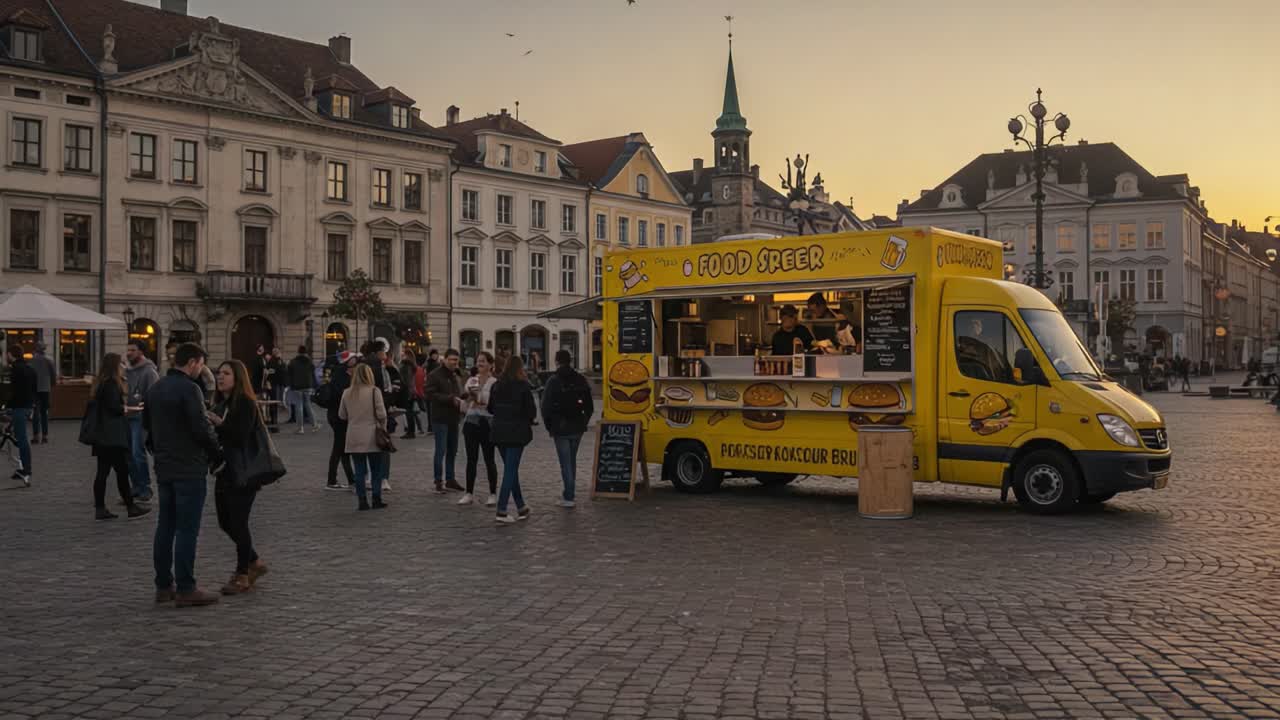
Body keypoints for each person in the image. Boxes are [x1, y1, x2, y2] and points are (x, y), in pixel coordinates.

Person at [146, 343, 222, 607]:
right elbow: (201, 428)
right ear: (192, 362)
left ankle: (163, 585)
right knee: (187, 528)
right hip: (189, 467)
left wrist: (160, 454)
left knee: (165, 525)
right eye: (200, 364)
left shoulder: (155, 388)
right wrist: (217, 453)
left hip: (164, 466)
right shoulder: (190, 389)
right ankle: (186, 587)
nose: (201, 369)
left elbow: (148, 431)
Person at [208, 360, 270, 595]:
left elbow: (239, 437)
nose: (220, 377)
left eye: (226, 373)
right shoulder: (222, 403)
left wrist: (218, 424)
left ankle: (242, 573)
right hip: (225, 470)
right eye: (219, 373)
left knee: (238, 522)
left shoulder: (245, 403)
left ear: (238, 378)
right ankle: (254, 561)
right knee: (225, 522)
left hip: (244, 472)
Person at [89, 353, 150, 520]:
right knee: (121, 471)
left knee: (104, 471)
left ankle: (102, 508)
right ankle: (130, 507)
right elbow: (114, 409)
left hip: (103, 435)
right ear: (114, 366)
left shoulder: (101, 383)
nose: (124, 366)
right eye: (122, 364)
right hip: (112, 436)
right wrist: (132, 409)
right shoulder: (111, 384)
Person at [541, 350, 594, 509]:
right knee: (571, 460)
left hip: (560, 428)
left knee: (566, 463)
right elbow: (589, 406)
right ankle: (569, 492)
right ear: (570, 361)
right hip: (577, 426)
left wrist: (550, 426)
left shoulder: (553, 381)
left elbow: (545, 407)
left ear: (557, 361)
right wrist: (584, 421)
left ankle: (569, 496)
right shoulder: (580, 379)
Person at [490, 355, 536, 524]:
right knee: (510, 471)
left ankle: (521, 506)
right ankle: (501, 510)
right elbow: (531, 411)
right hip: (516, 432)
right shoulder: (523, 386)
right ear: (519, 368)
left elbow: (491, 408)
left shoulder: (497, 385)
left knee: (511, 469)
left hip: (499, 432)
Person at [338, 363, 388, 511]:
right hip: (372, 434)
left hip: (354, 434)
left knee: (359, 470)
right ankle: (376, 498)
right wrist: (383, 428)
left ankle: (362, 501)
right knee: (376, 469)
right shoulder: (374, 391)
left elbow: (342, 415)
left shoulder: (347, 392)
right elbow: (382, 414)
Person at [459, 351, 498, 506]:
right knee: (471, 459)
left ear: (490, 364)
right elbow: (464, 406)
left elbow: (492, 403)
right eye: (478, 361)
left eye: (483, 361)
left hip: (487, 423)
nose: (480, 364)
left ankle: (493, 493)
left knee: (489, 459)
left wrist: (480, 399)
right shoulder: (471, 380)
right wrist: (467, 400)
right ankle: (469, 493)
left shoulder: (495, 382)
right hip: (471, 422)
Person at [425, 348, 466, 494]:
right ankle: (438, 481)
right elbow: (430, 394)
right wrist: (450, 399)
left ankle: (450, 479)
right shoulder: (435, 375)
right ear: (445, 360)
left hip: (454, 418)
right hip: (440, 418)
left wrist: (467, 395)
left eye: (456, 360)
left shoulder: (456, 375)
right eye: (452, 360)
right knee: (441, 450)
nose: (454, 362)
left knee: (452, 450)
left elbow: (458, 393)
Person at [125, 341, 159, 502]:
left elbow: (153, 397)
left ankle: (146, 487)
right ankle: (136, 486)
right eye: (128, 350)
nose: (129, 353)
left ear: (141, 352)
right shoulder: (126, 370)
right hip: (126, 415)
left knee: (137, 452)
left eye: (132, 350)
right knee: (128, 453)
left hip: (140, 417)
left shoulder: (149, 371)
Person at [324, 351, 358, 491]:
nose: (355, 361)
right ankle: (331, 480)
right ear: (347, 361)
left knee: (343, 449)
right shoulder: (340, 374)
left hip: (338, 414)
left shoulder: (343, 373)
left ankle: (351, 479)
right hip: (338, 415)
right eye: (353, 359)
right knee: (339, 448)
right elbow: (342, 394)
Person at [5, 344, 34, 487]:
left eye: (7, 354)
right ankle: (23, 468)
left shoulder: (16, 369)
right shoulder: (29, 368)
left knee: (22, 440)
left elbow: (14, 391)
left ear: (11, 354)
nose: (6, 356)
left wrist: (7, 405)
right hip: (28, 406)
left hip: (19, 407)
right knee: (18, 437)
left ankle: (26, 470)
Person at [286, 345, 317, 434]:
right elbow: (313, 373)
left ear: (298, 352)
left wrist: (290, 385)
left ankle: (300, 428)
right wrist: (313, 385)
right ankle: (314, 424)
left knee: (298, 406)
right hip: (307, 385)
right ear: (306, 352)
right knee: (308, 405)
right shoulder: (310, 362)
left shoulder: (293, 362)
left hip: (296, 386)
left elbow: (289, 374)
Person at [30, 343, 55, 445]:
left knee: (35, 413)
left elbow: (29, 374)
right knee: (44, 413)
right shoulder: (48, 360)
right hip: (45, 389)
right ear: (43, 350)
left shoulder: (32, 361)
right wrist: (52, 384)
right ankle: (45, 436)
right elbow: (53, 375)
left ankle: (35, 436)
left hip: (34, 389)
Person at [399, 349, 421, 439]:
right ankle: (411, 431)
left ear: (407, 355)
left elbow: (408, 379)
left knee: (409, 412)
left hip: (408, 390)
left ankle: (410, 432)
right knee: (410, 412)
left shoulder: (406, 365)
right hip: (411, 390)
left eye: (403, 354)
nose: (401, 355)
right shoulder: (411, 365)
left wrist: (406, 389)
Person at [424, 349, 440, 433]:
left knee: (430, 409)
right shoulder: (436, 365)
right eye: (434, 354)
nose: (435, 356)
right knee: (433, 409)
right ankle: (432, 426)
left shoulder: (427, 364)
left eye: (436, 354)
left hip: (428, 389)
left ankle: (430, 426)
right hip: (433, 390)